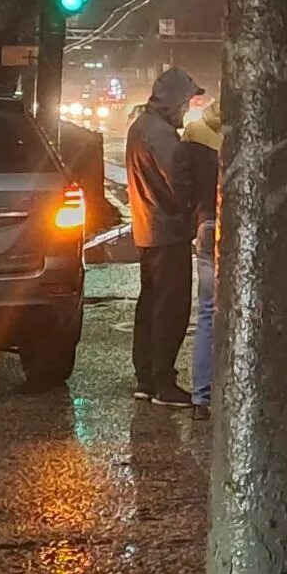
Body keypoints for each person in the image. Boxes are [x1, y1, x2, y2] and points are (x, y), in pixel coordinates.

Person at [126, 67, 204, 407]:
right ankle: (163, 384)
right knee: (170, 309)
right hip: (167, 230)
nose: (188, 108)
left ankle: (146, 378)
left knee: (150, 305)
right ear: (174, 100)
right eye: (186, 101)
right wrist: (197, 207)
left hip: (148, 229)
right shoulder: (161, 135)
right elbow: (180, 180)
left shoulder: (142, 127)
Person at [173, 100, 221, 421]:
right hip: (241, 227)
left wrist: (193, 212)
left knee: (207, 311)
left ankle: (202, 397)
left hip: (207, 224)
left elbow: (180, 180)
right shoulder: (252, 129)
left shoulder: (194, 132)